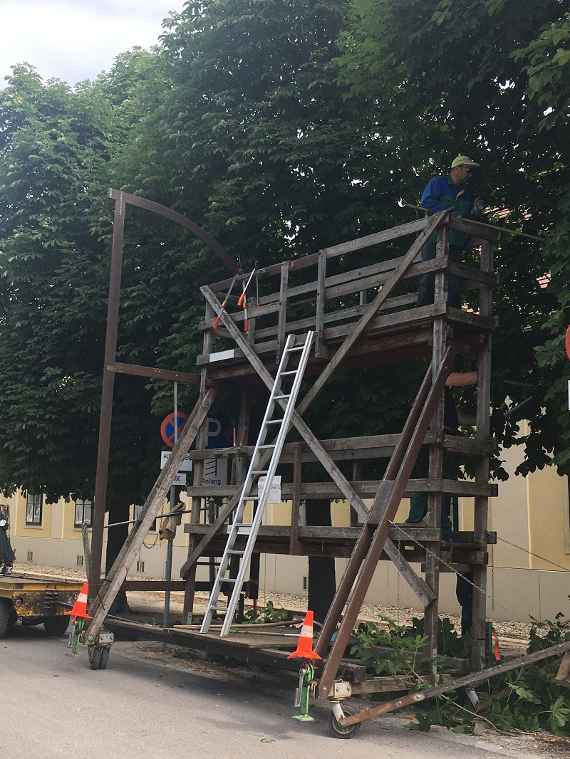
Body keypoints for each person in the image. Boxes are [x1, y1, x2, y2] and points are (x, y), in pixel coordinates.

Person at [417, 154, 483, 307]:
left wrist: (475, 211)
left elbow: (467, 217)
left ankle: (453, 316)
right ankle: (422, 314)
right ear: (457, 168)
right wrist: (448, 211)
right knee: (428, 275)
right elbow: (426, 202)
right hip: (434, 238)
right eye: (468, 170)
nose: (469, 174)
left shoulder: (467, 193)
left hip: (455, 242)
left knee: (454, 280)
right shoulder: (438, 183)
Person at [0, 505, 15, 575]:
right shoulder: (2, 515)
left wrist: (5, 523)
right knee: (4, 551)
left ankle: (7, 567)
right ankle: (6, 567)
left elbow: (5, 526)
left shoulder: (2, 515)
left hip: (2, 536)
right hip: (2, 536)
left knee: (5, 551)